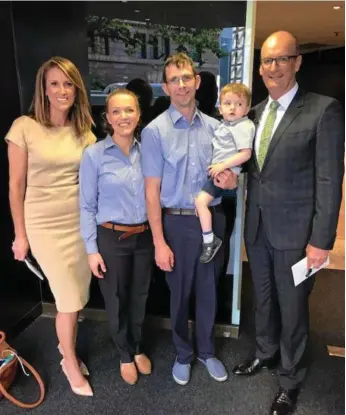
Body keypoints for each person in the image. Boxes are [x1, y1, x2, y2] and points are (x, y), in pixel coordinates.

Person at [232, 31, 344, 415]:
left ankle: (291, 377)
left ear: (297, 62)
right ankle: (265, 352)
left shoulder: (323, 110)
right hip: (259, 229)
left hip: (297, 235)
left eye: (282, 59)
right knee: (262, 298)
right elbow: (254, 165)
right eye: (267, 60)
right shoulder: (256, 113)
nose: (273, 67)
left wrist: (321, 240)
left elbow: (330, 182)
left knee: (293, 306)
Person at [141, 52, 237, 386]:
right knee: (179, 293)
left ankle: (207, 351)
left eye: (187, 78)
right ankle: (183, 353)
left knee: (210, 290)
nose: (182, 85)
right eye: (174, 80)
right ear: (166, 87)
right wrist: (158, 242)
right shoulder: (155, 132)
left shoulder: (218, 129)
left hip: (213, 219)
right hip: (176, 224)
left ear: (197, 82)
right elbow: (151, 192)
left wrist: (232, 181)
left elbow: (231, 176)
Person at [6, 57, 96, 396]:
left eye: (68, 84)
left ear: (77, 89)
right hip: (43, 223)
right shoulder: (24, 127)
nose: (62, 90)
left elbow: (90, 183)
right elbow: (16, 185)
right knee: (68, 298)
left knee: (77, 293)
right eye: (55, 83)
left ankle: (65, 346)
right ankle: (69, 359)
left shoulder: (83, 131)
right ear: (43, 88)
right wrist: (20, 235)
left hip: (78, 223)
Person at [79, 89, 154, 386]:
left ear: (138, 115)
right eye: (117, 112)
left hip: (144, 237)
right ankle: (124, 354)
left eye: (129, 110)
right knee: (116, 299)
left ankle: (137, 348)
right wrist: (91, 250)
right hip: (111, 238)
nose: (124, 117)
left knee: (140, 296)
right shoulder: (94, 155)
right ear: (107, 118)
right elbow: (86, 205)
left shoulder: (148, 151)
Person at [195, 83, 255, 263]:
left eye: (238, 104)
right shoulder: (225, 125)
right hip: (218, 172)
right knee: (201, 204)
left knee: (200, 202)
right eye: (228, 103)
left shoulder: (244, 126)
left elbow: (246, 153)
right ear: (220, 108)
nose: (232, 108)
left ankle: (209, 240)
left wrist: (222, 166)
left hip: (224, 173)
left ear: (247, 108)